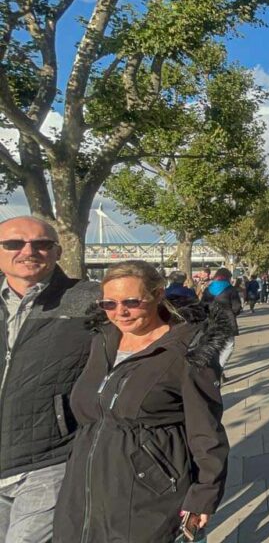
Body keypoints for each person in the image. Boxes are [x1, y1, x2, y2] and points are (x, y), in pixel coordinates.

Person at [54, 261, 229, 542]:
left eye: (131, 302)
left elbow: (206, 429)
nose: (120, 312)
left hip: (149, 494)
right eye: (109, 304)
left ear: (158, 294)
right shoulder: (101, 339)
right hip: (84, 487)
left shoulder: (186, 350)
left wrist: (204, 495)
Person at [0, 216, 98, 542]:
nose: (28, 251)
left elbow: (157, 328)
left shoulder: (87, 299)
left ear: (57, 251)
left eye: (41, 244)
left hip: (48, 459)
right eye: (14, 244)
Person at [201, 268, 243, 373]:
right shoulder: (230, 289)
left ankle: (214, 369)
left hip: (211, 320)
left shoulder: (208, 289)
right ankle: (219, 368)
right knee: (228, 346)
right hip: (227, 320)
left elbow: (202, 305)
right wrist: (233, 313)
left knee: (214, 345)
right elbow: (236, 307)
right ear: (228, 277)